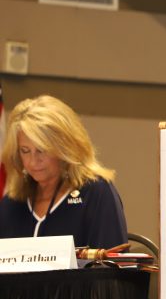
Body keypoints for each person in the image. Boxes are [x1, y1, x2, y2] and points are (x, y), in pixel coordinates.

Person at [0, 95, 128, 249]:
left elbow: (113, 262)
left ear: (65, 148)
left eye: (41, 150)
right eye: (25, 151)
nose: (33, 161)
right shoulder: (11, 203)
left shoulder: (96, 194)